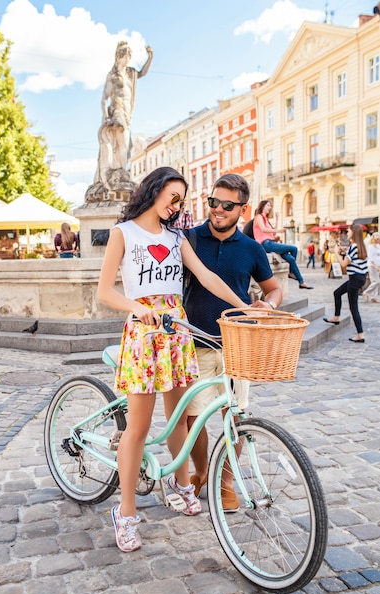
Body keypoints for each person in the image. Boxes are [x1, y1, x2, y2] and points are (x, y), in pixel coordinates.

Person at [97, 167, 248, 552]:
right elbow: (104, 292)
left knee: (179, 415)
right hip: (145, 332)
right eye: (174, 197)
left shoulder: (176, 238)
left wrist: (244, 306)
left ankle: (180, 485)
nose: (177, 206)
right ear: (155, 191)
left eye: (182, 200)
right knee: (139, 427)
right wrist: (137, 308)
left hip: (176, 330)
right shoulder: (124, 233)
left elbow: (208, 276)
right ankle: (126, 512)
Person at [184, 175, 282, 511]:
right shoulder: (190, 239)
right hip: (195, 343)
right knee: (192, 419)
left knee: (236, 418)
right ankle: (200, 473)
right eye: (214, 202)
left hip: (235, 345)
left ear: (243, 209)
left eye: (228, 205)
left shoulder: (252, 249)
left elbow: (273, 289)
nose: (218, 210)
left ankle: (226, 483)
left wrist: (267, 306)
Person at [94, 41, 153, 184]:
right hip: (117, 109)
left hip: (127, 111)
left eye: (129, 56)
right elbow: (104, 98)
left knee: (124, 144)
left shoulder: (130, 73)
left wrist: (150, 57)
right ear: (118, 57)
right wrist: (107, 116)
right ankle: (118, 170)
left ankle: (119, 171)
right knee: (121, 143)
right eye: (125, 56)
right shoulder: (113, 75)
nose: (127, 59)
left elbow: (142, 72)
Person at [253, 200, 313, 289]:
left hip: (271, 243)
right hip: (265, 244)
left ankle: (301, 282)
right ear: (262, 206)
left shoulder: (266, 219)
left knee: (291, 259)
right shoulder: (258, 217)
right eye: (268, 205)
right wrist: (279, 231)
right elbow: (263, 229)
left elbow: (272, 234)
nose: (270, 207)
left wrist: (277, 219)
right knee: (294, 248)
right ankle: (291, 272)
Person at [323, 224, 368, 342]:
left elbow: (343, 264)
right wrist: (344, 250)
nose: (347, 233)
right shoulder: (361, 246)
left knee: (354, 307)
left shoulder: (353, 247)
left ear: (354, 232)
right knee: (337, 293)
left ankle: (360, 334)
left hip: (354, 279)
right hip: (360, 278)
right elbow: (352, 256)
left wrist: (336, 252)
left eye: (348, 231)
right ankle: (336, 317)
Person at [361, 231, 380, 303]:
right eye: (378, 239)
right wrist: (376, 266)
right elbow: (370, 258)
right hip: (372, 265)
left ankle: (373, 297)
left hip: (378, 265)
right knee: (377, 281)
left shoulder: (378, 246)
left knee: (374, 281)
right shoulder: (371, 247)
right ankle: (366, 292)